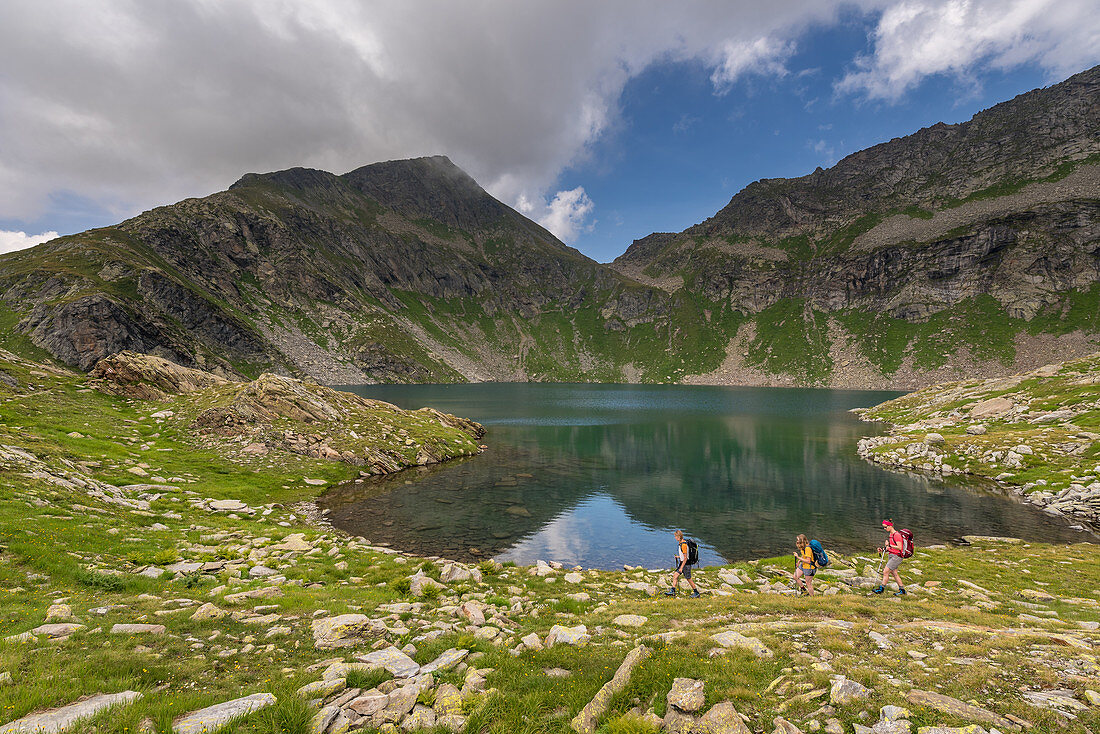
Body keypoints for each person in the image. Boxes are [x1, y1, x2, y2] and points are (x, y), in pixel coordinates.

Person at [873, 520, 906, 596]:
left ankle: (881, 589)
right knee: (894, 573)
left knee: (885, 572)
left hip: (897, 556)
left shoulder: (896, 535)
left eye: (885, 527)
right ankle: (902, 590)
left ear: (890, 526)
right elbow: (891, 547)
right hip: (892, 555)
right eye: (883, 527)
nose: (884, 529)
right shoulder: (891, 535)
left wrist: (889, 546)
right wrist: (883, 549)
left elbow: (899, 547)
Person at [665, 529, 700, 597]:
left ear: (679, 537)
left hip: (686, 564)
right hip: (683, 563)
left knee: (688, 579)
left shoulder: (683, 545)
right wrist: (678, 557)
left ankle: (696, 593)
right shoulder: (681, 543)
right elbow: (684, 555)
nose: (675, 538)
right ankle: (672, 591)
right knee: (675, 575)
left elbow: (686, 558)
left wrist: (681, 568)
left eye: (675, 536)